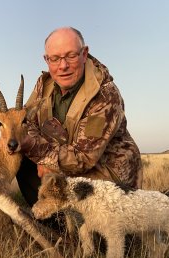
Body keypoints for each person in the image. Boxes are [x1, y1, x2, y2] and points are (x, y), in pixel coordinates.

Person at [17, 27, 143, 206]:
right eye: (55, 58)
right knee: (20, 160)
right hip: (64, 162)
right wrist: (43, 156)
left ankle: (85, 225)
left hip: (107, 177)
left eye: (71, 56)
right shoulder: (43, 84)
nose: (63, 66)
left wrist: (41, 154)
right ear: (46, 60)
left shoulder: (105, 95)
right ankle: (54, 224)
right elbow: (27, 121)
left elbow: (83, 158)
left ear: (84, 54)